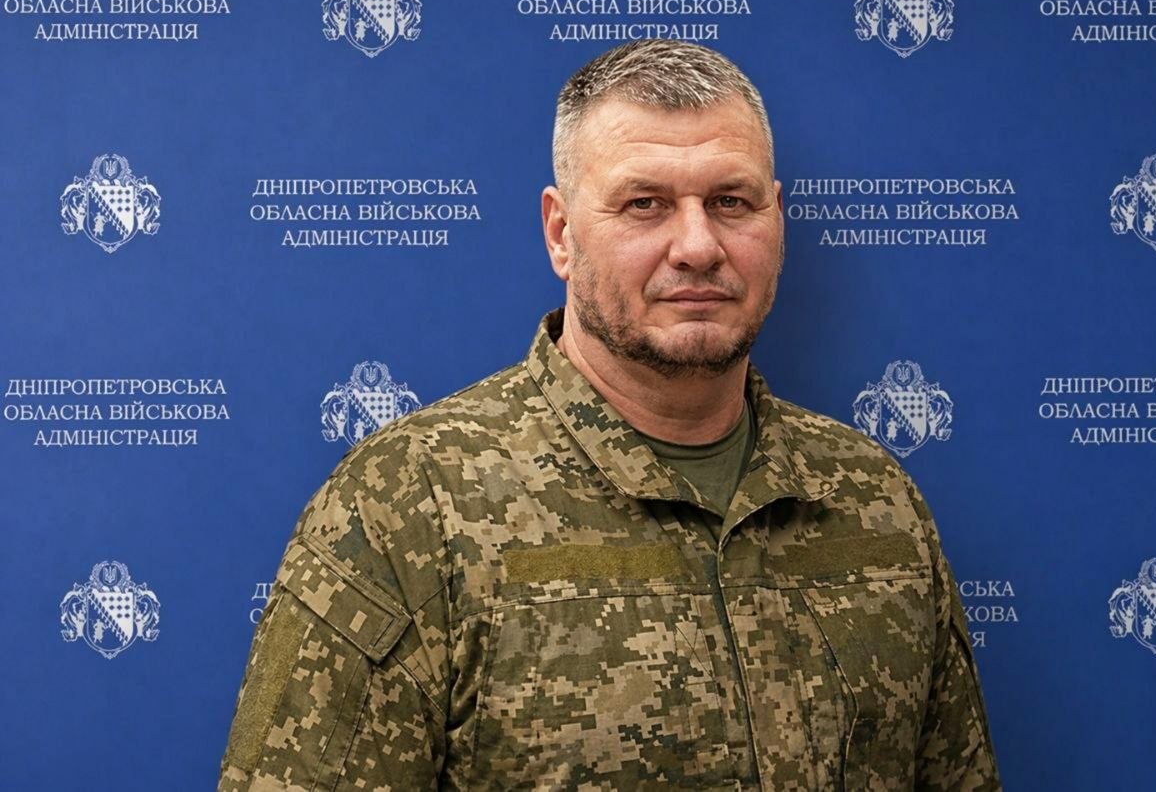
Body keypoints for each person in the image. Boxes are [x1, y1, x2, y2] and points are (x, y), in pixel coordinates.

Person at [219, 39, 999, 791]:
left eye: (731, 202)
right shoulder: (408, 506)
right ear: (562, 233)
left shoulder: (874, 499)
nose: (697, 245)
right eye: (644, 204)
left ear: (778, 220)